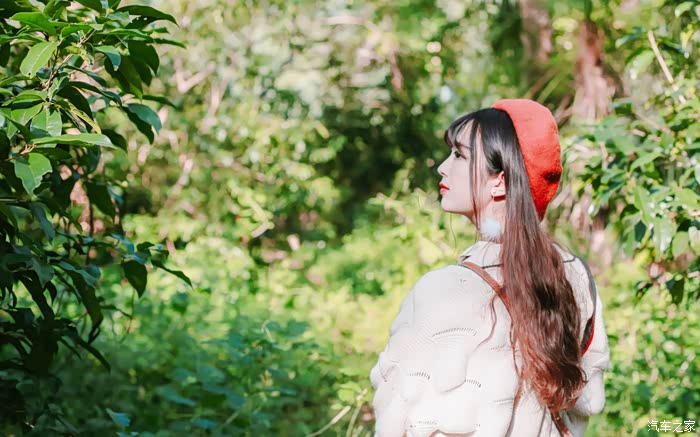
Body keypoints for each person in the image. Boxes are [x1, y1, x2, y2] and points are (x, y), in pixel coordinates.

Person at [369, 99, 612, 437]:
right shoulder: (576, 276)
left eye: (459, 155)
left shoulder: (443, 292)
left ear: (499, 181)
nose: (442, 167)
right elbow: (587, 401)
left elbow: (398, 419)